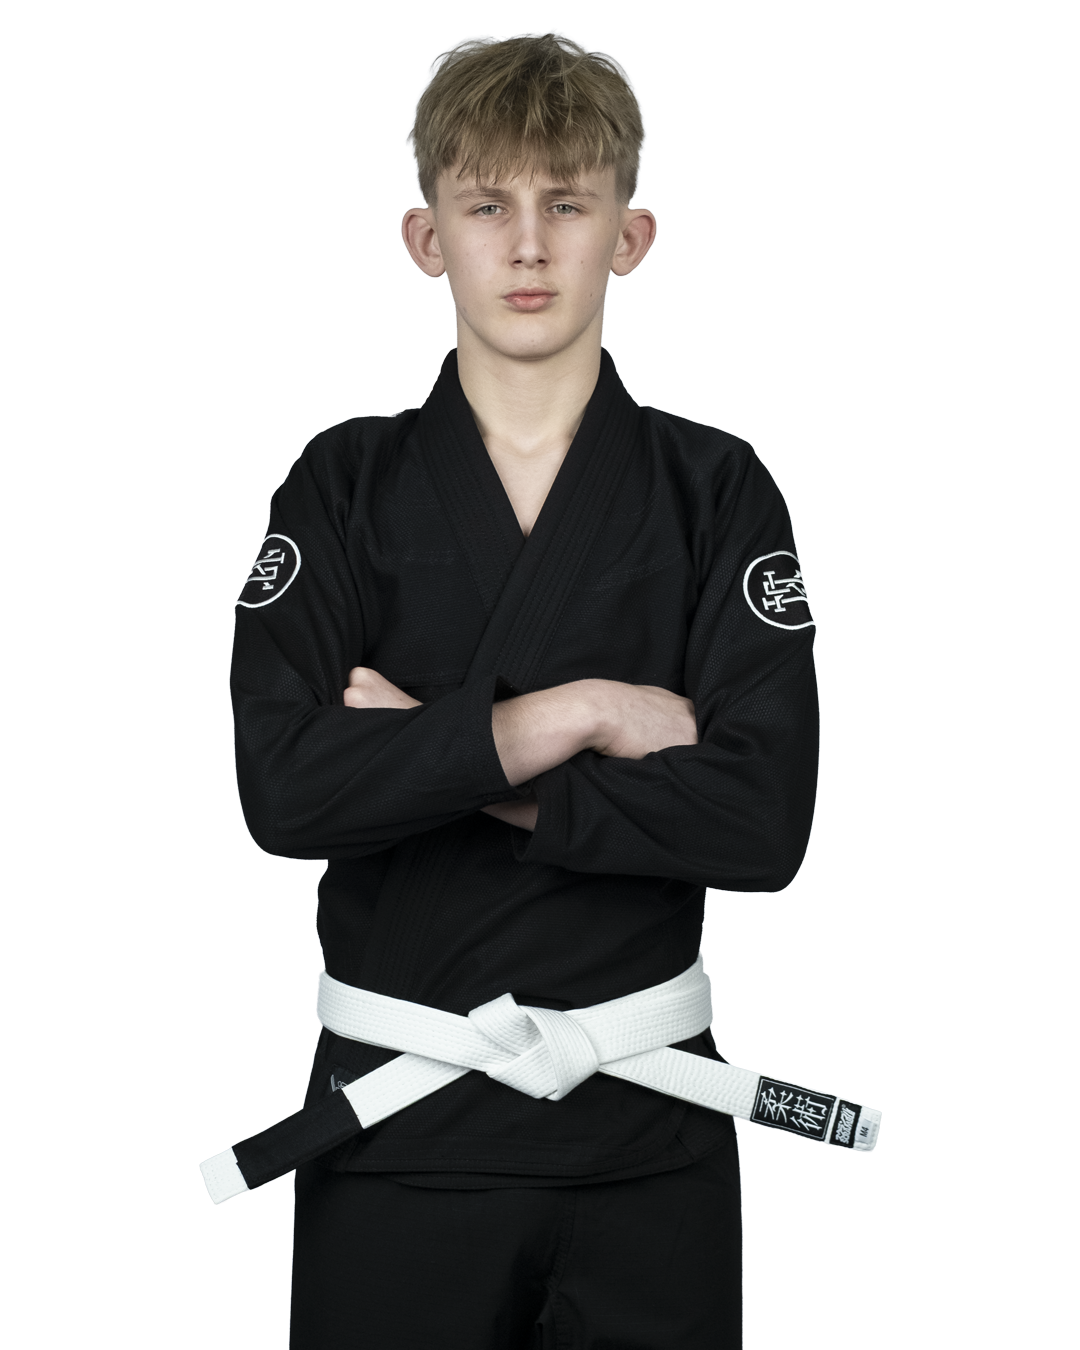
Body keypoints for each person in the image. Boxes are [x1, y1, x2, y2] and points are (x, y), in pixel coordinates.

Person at [224, 34, 820, 1348]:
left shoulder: (716, 492)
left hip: (647, 1138)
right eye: (488, 205)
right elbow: (287, 790)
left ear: (631, 234)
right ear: (427, 238)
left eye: (569, 203)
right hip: (397, 1136)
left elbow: (761, 820)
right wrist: (582, 711)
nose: (531, 245)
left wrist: (438, 755)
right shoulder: (341, 487)